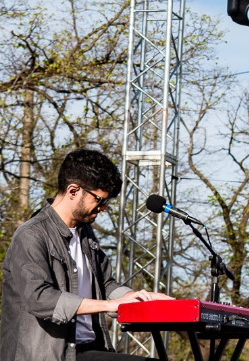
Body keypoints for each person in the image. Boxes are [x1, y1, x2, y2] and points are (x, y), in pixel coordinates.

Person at [1, 148, 173, 361]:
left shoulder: (86, 234)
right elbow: (40, 299)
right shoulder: (30, 235)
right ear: (73, 191)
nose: (104, 209)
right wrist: (110, 306)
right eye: (99, 200)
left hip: (87, 349)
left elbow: (105, 285)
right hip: (48, 355)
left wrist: (136, 298)